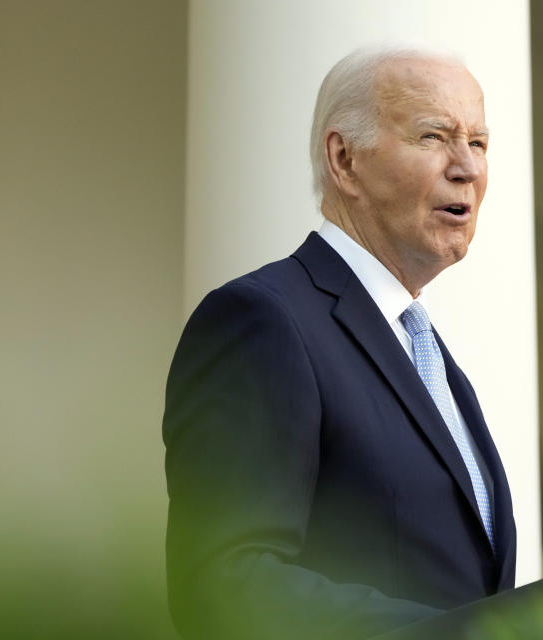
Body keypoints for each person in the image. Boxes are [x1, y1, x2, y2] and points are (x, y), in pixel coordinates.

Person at [162, 47, 516, 639]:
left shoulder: (432, 361)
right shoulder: (264, 320)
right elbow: (223, 582)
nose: (468, 168)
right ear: (345, 159)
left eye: (478, 143)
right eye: (434, 137)